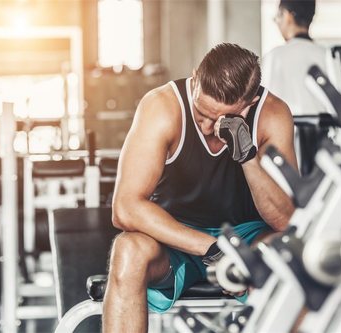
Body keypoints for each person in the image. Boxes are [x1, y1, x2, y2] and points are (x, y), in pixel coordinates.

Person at [103, 43, 298, 332]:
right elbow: (125, 208)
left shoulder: (273, 115)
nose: (207, 127)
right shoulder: (161, 107)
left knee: (282, 256)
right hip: (174, 237)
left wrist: (247, 158)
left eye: (219, 119)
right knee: (127, 250)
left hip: (248, 237)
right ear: (195, 79)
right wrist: (216, 250)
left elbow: (285, 220)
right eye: (201, 112)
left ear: (250, 103)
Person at [262, 0, 327, 116]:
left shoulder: (274, 57)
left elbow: (263, 106)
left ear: (287, 16)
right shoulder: (329, 55)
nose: (277, 23)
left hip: (285, 131)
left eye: (277, 17)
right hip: (326, 132)